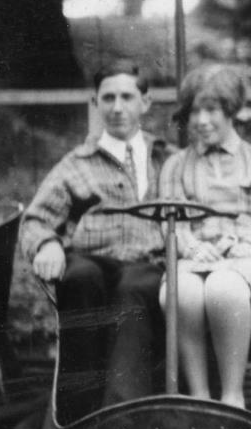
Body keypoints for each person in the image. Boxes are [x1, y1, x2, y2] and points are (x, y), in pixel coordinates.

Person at [20, 59, 172, 405]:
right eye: (108, 98)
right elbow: (35, 220)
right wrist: (47, 245)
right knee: (78, 278)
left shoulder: (168, 158)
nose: (117, 108)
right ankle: (78, 409)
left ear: (145, 103)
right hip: (93, 258)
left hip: (147, 262)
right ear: (95, 103)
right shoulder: (77, 163)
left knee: (135, 286)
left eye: (127, 97)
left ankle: (122, 409)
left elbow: (210, 193)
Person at [158, 64, 251, 409]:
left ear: (230, 110)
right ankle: (200, 396)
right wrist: (191, 247)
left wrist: (249, 245)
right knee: (181, 291)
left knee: (223, 286)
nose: (201, 120)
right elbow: (170, 223)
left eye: (211, 110)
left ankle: (234, 396)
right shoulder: (176, 165)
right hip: (196, 259)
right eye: (194, 112)